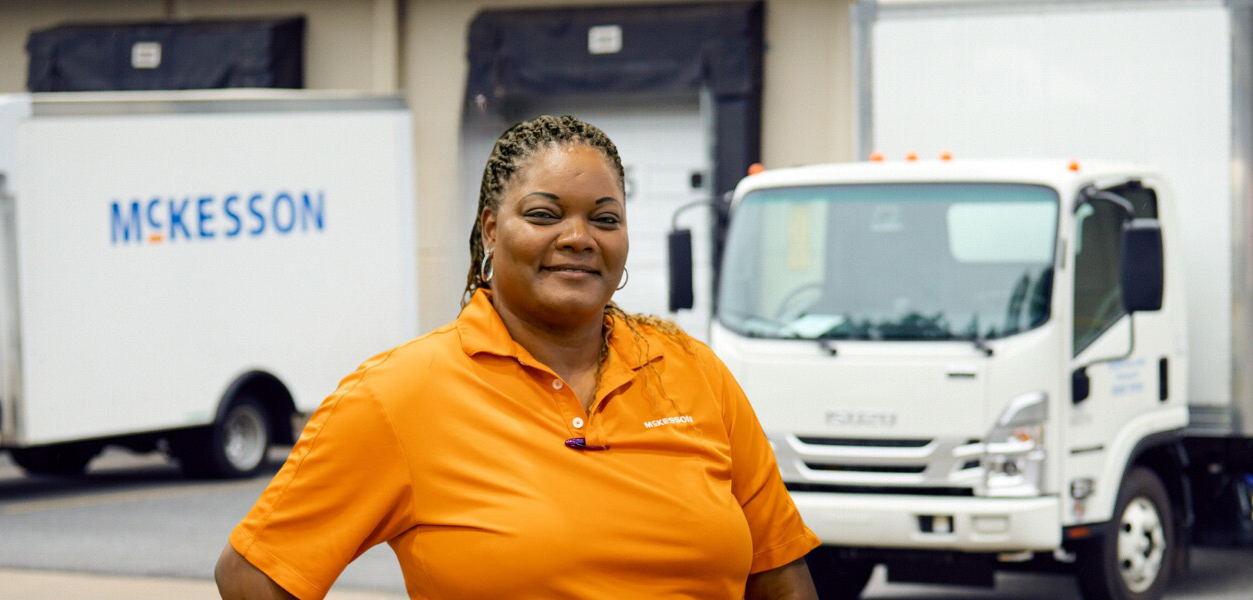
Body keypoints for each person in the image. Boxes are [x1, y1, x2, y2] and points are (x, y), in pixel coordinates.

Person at [214, 115, 821, 600]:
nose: (578, 236)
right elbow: (254, 575)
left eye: (604, 219)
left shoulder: (692, 372)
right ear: (490, 230)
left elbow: (780, 577)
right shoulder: (398, 396)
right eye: (544, 214)